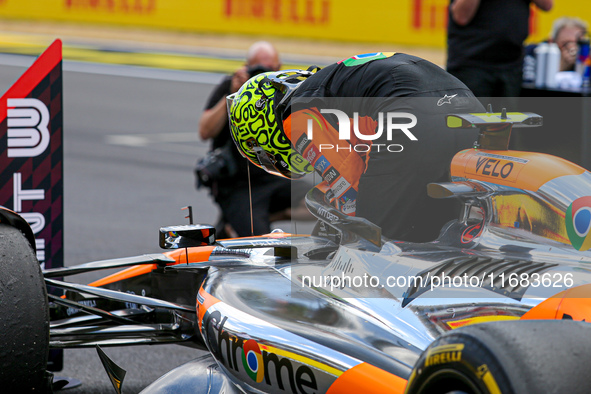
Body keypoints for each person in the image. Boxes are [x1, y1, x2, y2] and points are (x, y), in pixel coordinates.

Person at [228, 52, 486, 242]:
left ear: (260, 126)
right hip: (467, 104)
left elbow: (347, 182)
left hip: (411, 113)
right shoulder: (327, 86)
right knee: (436, 232)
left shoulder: (294, 114)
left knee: (373, 241)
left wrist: (342, 230)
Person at [198, 41, 309, 237]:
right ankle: (235, 224)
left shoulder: (284, 90)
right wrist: (232, 95)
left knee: (331, 200)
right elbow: (205, 131)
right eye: (256, 67)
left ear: (278, 68)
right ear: (246, 66)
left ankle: (262, 216)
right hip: (239, 184)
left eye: (268, 68)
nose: (261, 72)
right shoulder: (231, 86)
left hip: (274, 175)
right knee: (260, 243)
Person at [446, 0, 553, 98]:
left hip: (512, 65)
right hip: (472, 66)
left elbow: (547, 5)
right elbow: (461, 17)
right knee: (470, 117)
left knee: (508, 118)